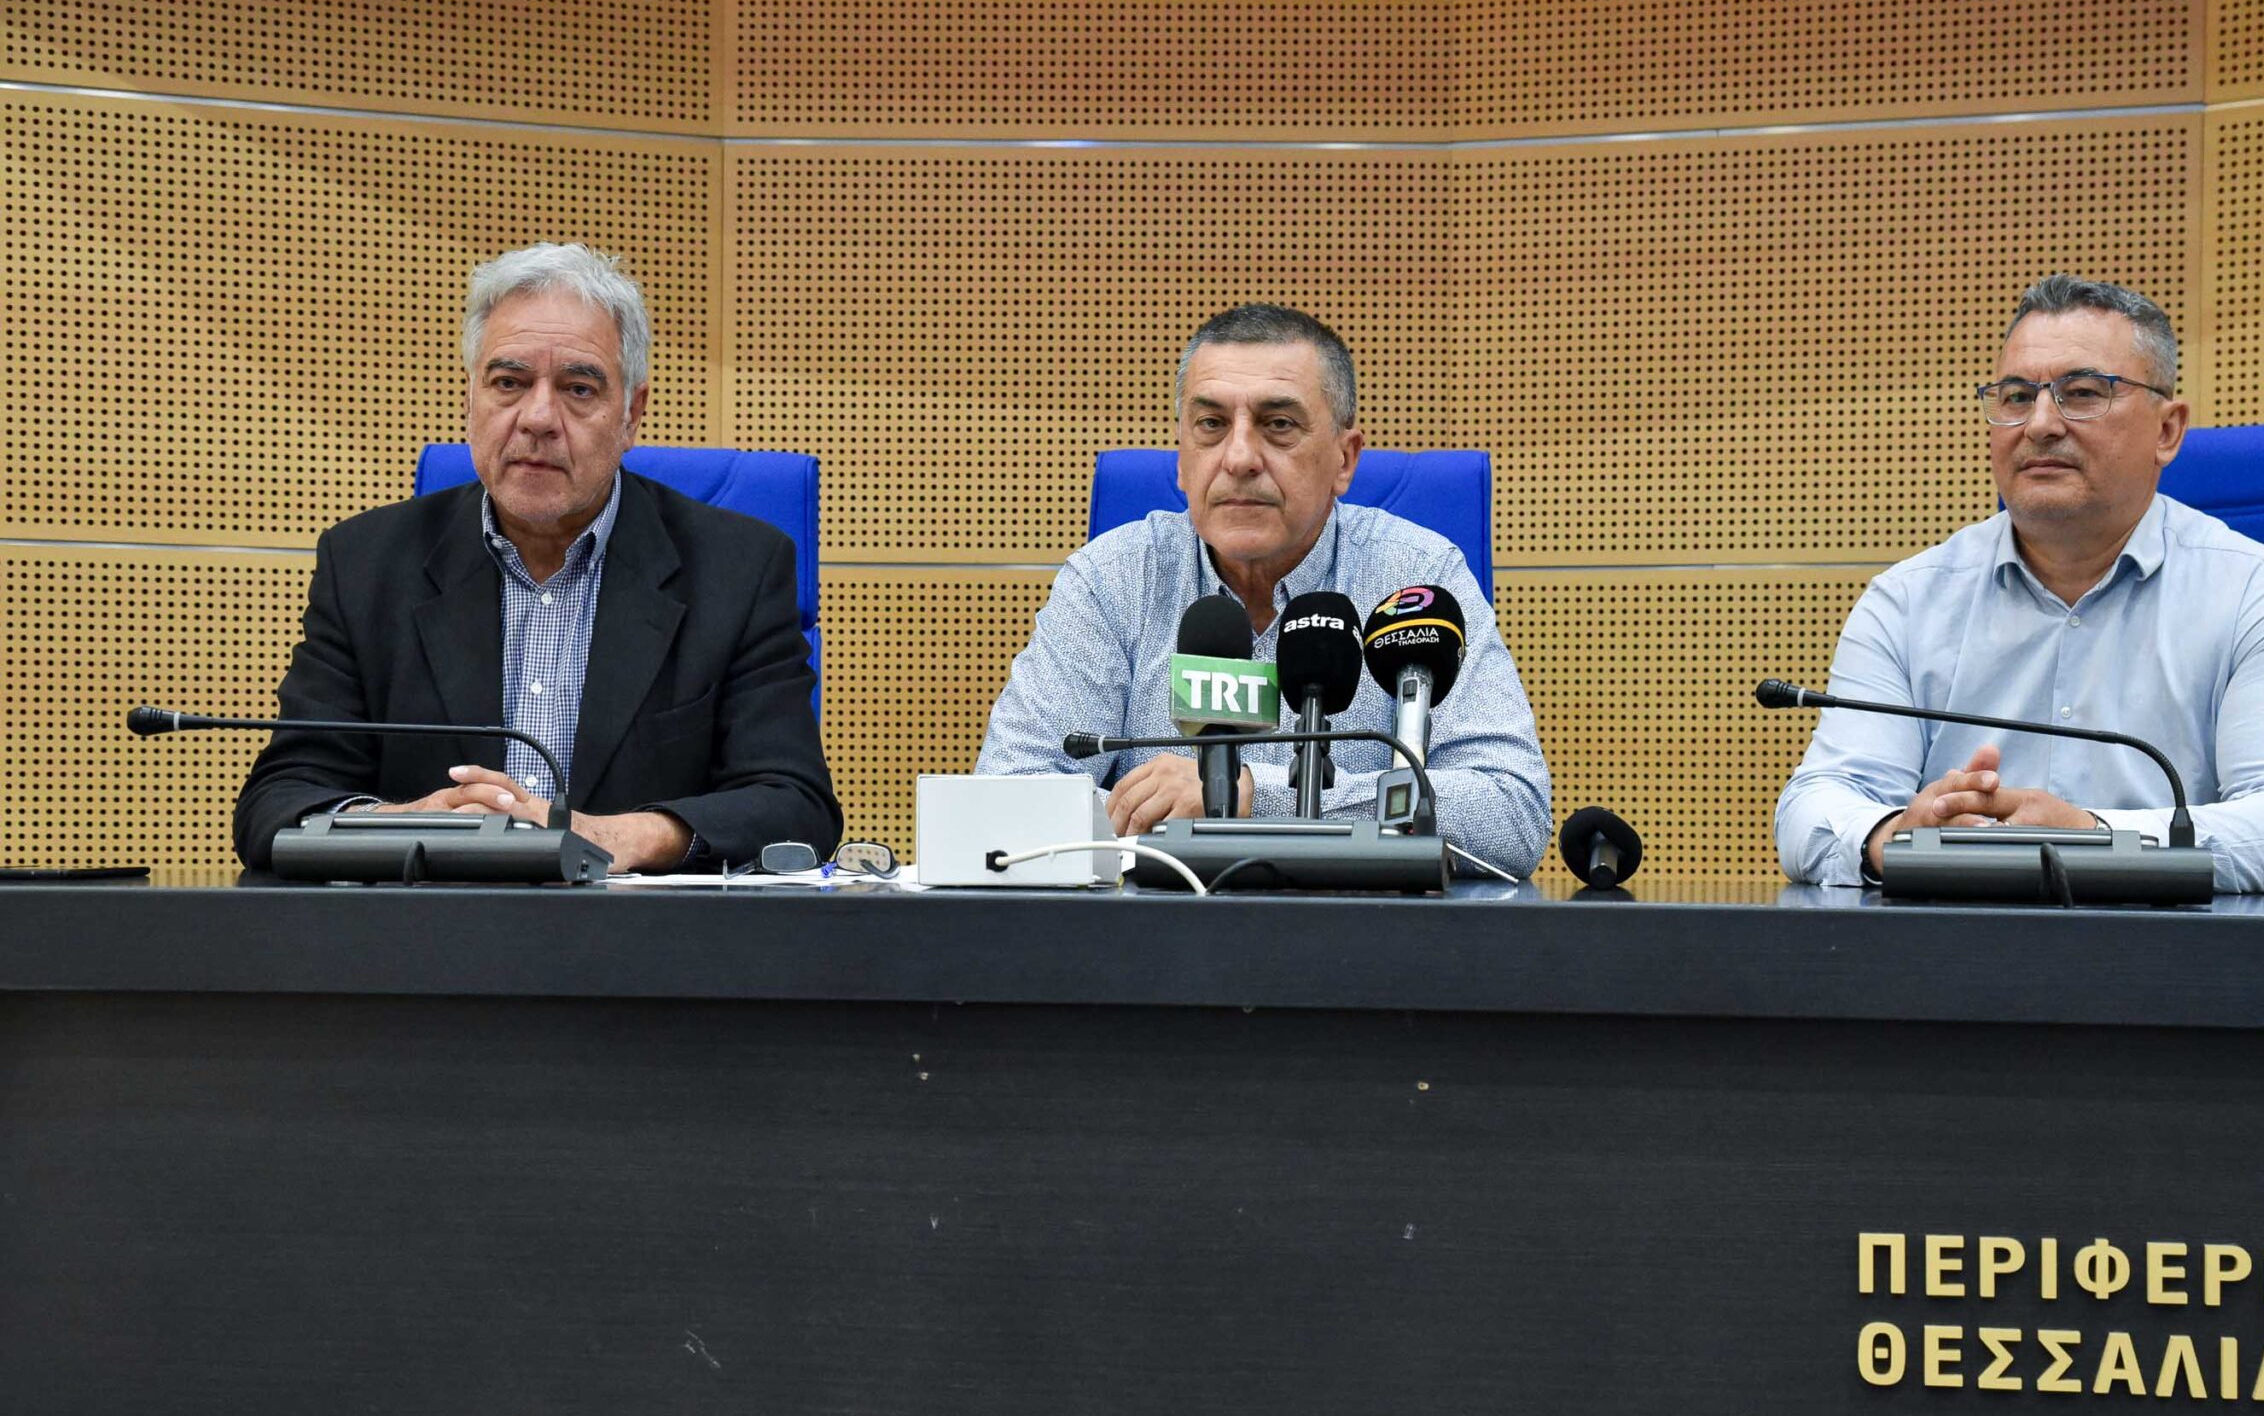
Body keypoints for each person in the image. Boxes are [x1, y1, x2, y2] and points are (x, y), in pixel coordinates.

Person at [232, 243, 838, 872]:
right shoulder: (365, 565)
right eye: (509, 383)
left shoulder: (738, 570)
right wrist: (407, 826)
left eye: (578, 388)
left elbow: (794, 805)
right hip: (430, 926)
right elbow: (279, 800)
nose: (539, 418)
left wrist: (611, 837)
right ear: (471, 399)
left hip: (640, 929)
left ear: (631, 414)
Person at [1774, 274, 2264, 893]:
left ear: (2167, 431)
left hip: (2166, 946)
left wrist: (2094, 837)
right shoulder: (1907, 600)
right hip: (1952, 944)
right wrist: (1892, 836)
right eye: (2017, 397)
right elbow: (1816, 805)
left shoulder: (2254, 592)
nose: (2040, 424)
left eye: (2082, 393)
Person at [975, 303, 1552, 877]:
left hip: (1360, 928)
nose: (1240, 458)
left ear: (1344, 459)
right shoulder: (1114, 579)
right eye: (1211, 424)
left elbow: (1510, 814)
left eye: (1279, 425)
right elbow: (1007, 802)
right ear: (1181, 458)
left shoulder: (1418, 579)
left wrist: (1252, 797)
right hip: (1157, 929)